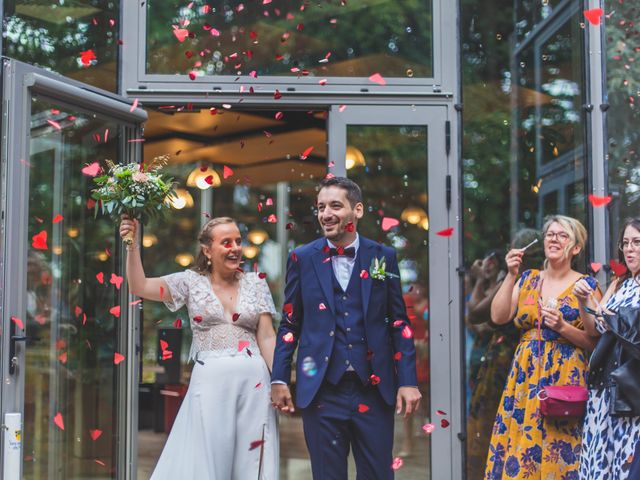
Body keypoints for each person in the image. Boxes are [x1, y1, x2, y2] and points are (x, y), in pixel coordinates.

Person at [270, 176, 421, 479]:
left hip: (374, 391)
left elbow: (398, 324)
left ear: (358, 210)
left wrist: (408, 380)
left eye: (335, 206)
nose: (326, 214)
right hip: (323, 391)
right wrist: (279, 378)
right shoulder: (302, 258)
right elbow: (290, 321)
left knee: (378, 474)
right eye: (321, 207)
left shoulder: (383, 257)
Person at [119, 216, 279, 479]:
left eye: (238, 241)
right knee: (207, 453)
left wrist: (279, 381)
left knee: (250, 461)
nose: (235, 248)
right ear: (207, 250)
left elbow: (267, 337)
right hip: (211, 384)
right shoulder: (190, 282)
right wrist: (132, 244)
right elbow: (140, 286)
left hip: (255, 385)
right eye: (226, 242)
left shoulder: (256, 283)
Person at [485, 215, 600, 479]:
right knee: (522, 451)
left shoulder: (586, 286)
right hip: (526, 381)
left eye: (563, 235)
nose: (554, 239)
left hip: (567, 381)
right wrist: (511, 276)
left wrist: (562, 327)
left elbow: (595, 343)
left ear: (576, 247)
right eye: (550, 234)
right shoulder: (527, 279)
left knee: (561, 453)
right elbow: (498, 316)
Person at [466, 231, 543, 480]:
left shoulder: (518, 279)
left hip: (506, 361)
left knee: (491, 425)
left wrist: (478, 280)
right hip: (524, 361)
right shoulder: (532, 279)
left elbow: (476, 314)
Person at [576, 217, 640, 479]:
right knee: (603, 465)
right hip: (605, 390)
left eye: (637, 242)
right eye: (625, 243)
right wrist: (583, 301)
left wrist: (617, 319)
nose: (629, 249)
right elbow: (594, 330)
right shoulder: (621, 285)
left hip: (631, 394)